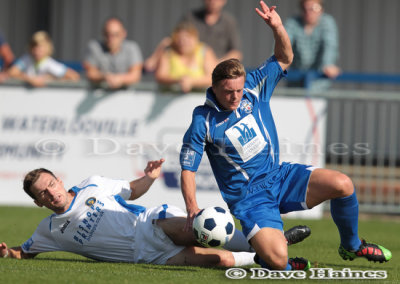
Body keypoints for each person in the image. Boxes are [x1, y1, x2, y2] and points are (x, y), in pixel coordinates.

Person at [179, 1, 392, 271]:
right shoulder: (203, 120)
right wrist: (192, 207)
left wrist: (277, 28)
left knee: (342, 184)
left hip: (280, 176)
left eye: (239, 90)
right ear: (214, 88)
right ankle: (274, 255)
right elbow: (188, 169)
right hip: (250, 200)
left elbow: (283, 58)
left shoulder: (254, 87)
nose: (235, 97)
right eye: (228, 92)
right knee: (278, 261)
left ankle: (351, 246)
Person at [0, 158, 310, 266]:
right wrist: (6, 253)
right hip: (146, 254)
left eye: (51, 183)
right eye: (43, 192)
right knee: (222, 260)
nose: (51, 192)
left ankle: (267, 240)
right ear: (38, 202)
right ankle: (268, 254)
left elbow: (131, 190)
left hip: (149, 225)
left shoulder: (92, 186)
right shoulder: (49, 230)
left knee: (203, 228)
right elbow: (24, 254)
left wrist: (148, 177)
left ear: (60, 180)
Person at [144, 0, 242, 73]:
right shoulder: (190, 17)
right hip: (192, 68)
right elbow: (171, 39)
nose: (213, 1)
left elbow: (236, 52)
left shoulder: (229, 22)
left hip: (217, 70)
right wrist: (154, 58)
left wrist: (216, 65)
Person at [284, 0, 340, 89]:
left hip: (318, 83)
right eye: (304, 9)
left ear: (322, 9)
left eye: (314, 8)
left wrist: (328, 64)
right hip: (295, 82)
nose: (308, 12)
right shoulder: (292, 23)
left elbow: (330, 46)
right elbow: (283, 44)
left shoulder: (327, 22)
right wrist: (277, 65)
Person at [154, 21, 217, 93]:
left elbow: (213, 78)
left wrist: (192, 82)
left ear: (195, 38)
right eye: (180, 38)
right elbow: (160, 76)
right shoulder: (168, 53)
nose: (183, 41)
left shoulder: (205, 51)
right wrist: (178, 80)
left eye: (188, 37)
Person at [83, 17, 143, 89]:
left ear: (124, 34)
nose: (111, 39)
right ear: (103, 33)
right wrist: (105, 77)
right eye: (107, 34)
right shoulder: (94, 47)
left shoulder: (132, 48)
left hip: (128, 95)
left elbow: (136, 75)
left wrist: (119, 79)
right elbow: (90, 73)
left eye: (115, 35)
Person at [7, 31, 79, 87]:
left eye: (40, 48)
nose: (36, 51)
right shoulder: (26, 59)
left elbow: (73, 76)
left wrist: (50, 79)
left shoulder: (50, 63)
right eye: (34, 47)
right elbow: (12, 72)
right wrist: (30, 79)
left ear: (47, 48)